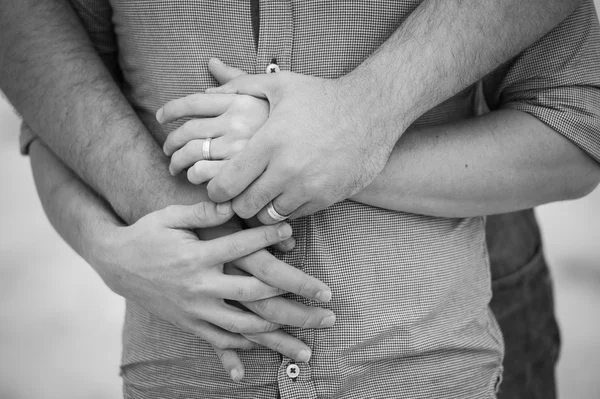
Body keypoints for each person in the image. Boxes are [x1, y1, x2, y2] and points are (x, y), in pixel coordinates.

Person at [1, 0, 599, 398]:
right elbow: (56, 111)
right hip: (180, 376)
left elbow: (576, 125)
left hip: (425, 367)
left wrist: (346, 145)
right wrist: (104, 248)